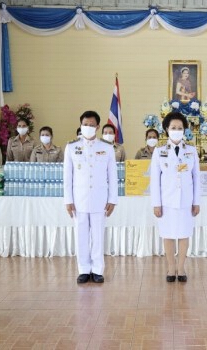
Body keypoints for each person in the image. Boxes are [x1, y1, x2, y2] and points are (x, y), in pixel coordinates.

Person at [64, 111, 117, 284]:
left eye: (91, 124)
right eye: (85, 124)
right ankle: (83, 269)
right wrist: (68, 200)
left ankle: (97, 270)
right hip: (79, 199)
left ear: (98, 127)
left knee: (98, 234)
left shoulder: (106, 147)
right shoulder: (71, 147)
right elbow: (67, 177)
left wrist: (112, 199)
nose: (88, 127)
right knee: (81, 235)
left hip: (100, 199)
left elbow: (113, 176)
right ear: (80, 125)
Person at [150, 112, 201, 283]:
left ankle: (181, 268)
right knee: (168, 235)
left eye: (180, 128)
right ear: (166, 129)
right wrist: (156, 204)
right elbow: (155, 180)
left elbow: (196, 178)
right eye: (173, 128)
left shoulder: (191, 151)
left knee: (184, 234)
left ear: (185, 130)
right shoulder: (159, 152)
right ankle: (171, 268)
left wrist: (196, 202)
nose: (177, 131)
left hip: (186, 201)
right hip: (167, 201)